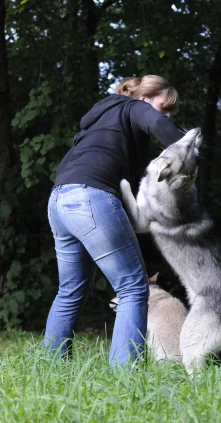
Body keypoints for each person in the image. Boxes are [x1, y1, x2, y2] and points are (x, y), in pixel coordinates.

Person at [44, 75, 183, 367]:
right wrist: (186, 150)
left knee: (70, 291)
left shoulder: (100, 120)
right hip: (91, 197)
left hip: (59, 200)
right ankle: (125, 376)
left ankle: (52, 370)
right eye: (164, 107)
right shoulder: (133, 107)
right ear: (145, 98)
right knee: (133, 287)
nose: (166, 115)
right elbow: (160, 127)